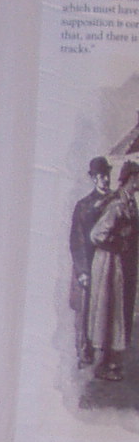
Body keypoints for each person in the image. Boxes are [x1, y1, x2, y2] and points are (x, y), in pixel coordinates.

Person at [87, 159, 139, 381]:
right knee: (107, 312)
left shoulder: (130, 202)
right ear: (131, 179)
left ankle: (110, 362)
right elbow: (96, 235)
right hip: (108, 263)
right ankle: (101, 365)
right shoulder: (117, 204)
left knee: (117, 312)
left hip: (121, 264)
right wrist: (118, 242)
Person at [70, 156, 112, 368]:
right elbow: (76, 240)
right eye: (100, 176)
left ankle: (104, 356)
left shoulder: (114, 202)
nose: (105, 179)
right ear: (93, 178)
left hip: (107, 265)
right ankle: (83, 352)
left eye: (107, 175)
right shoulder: (83, 205)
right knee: (84, 310)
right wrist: (83, 271)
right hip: (87, 265)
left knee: (105, 311)